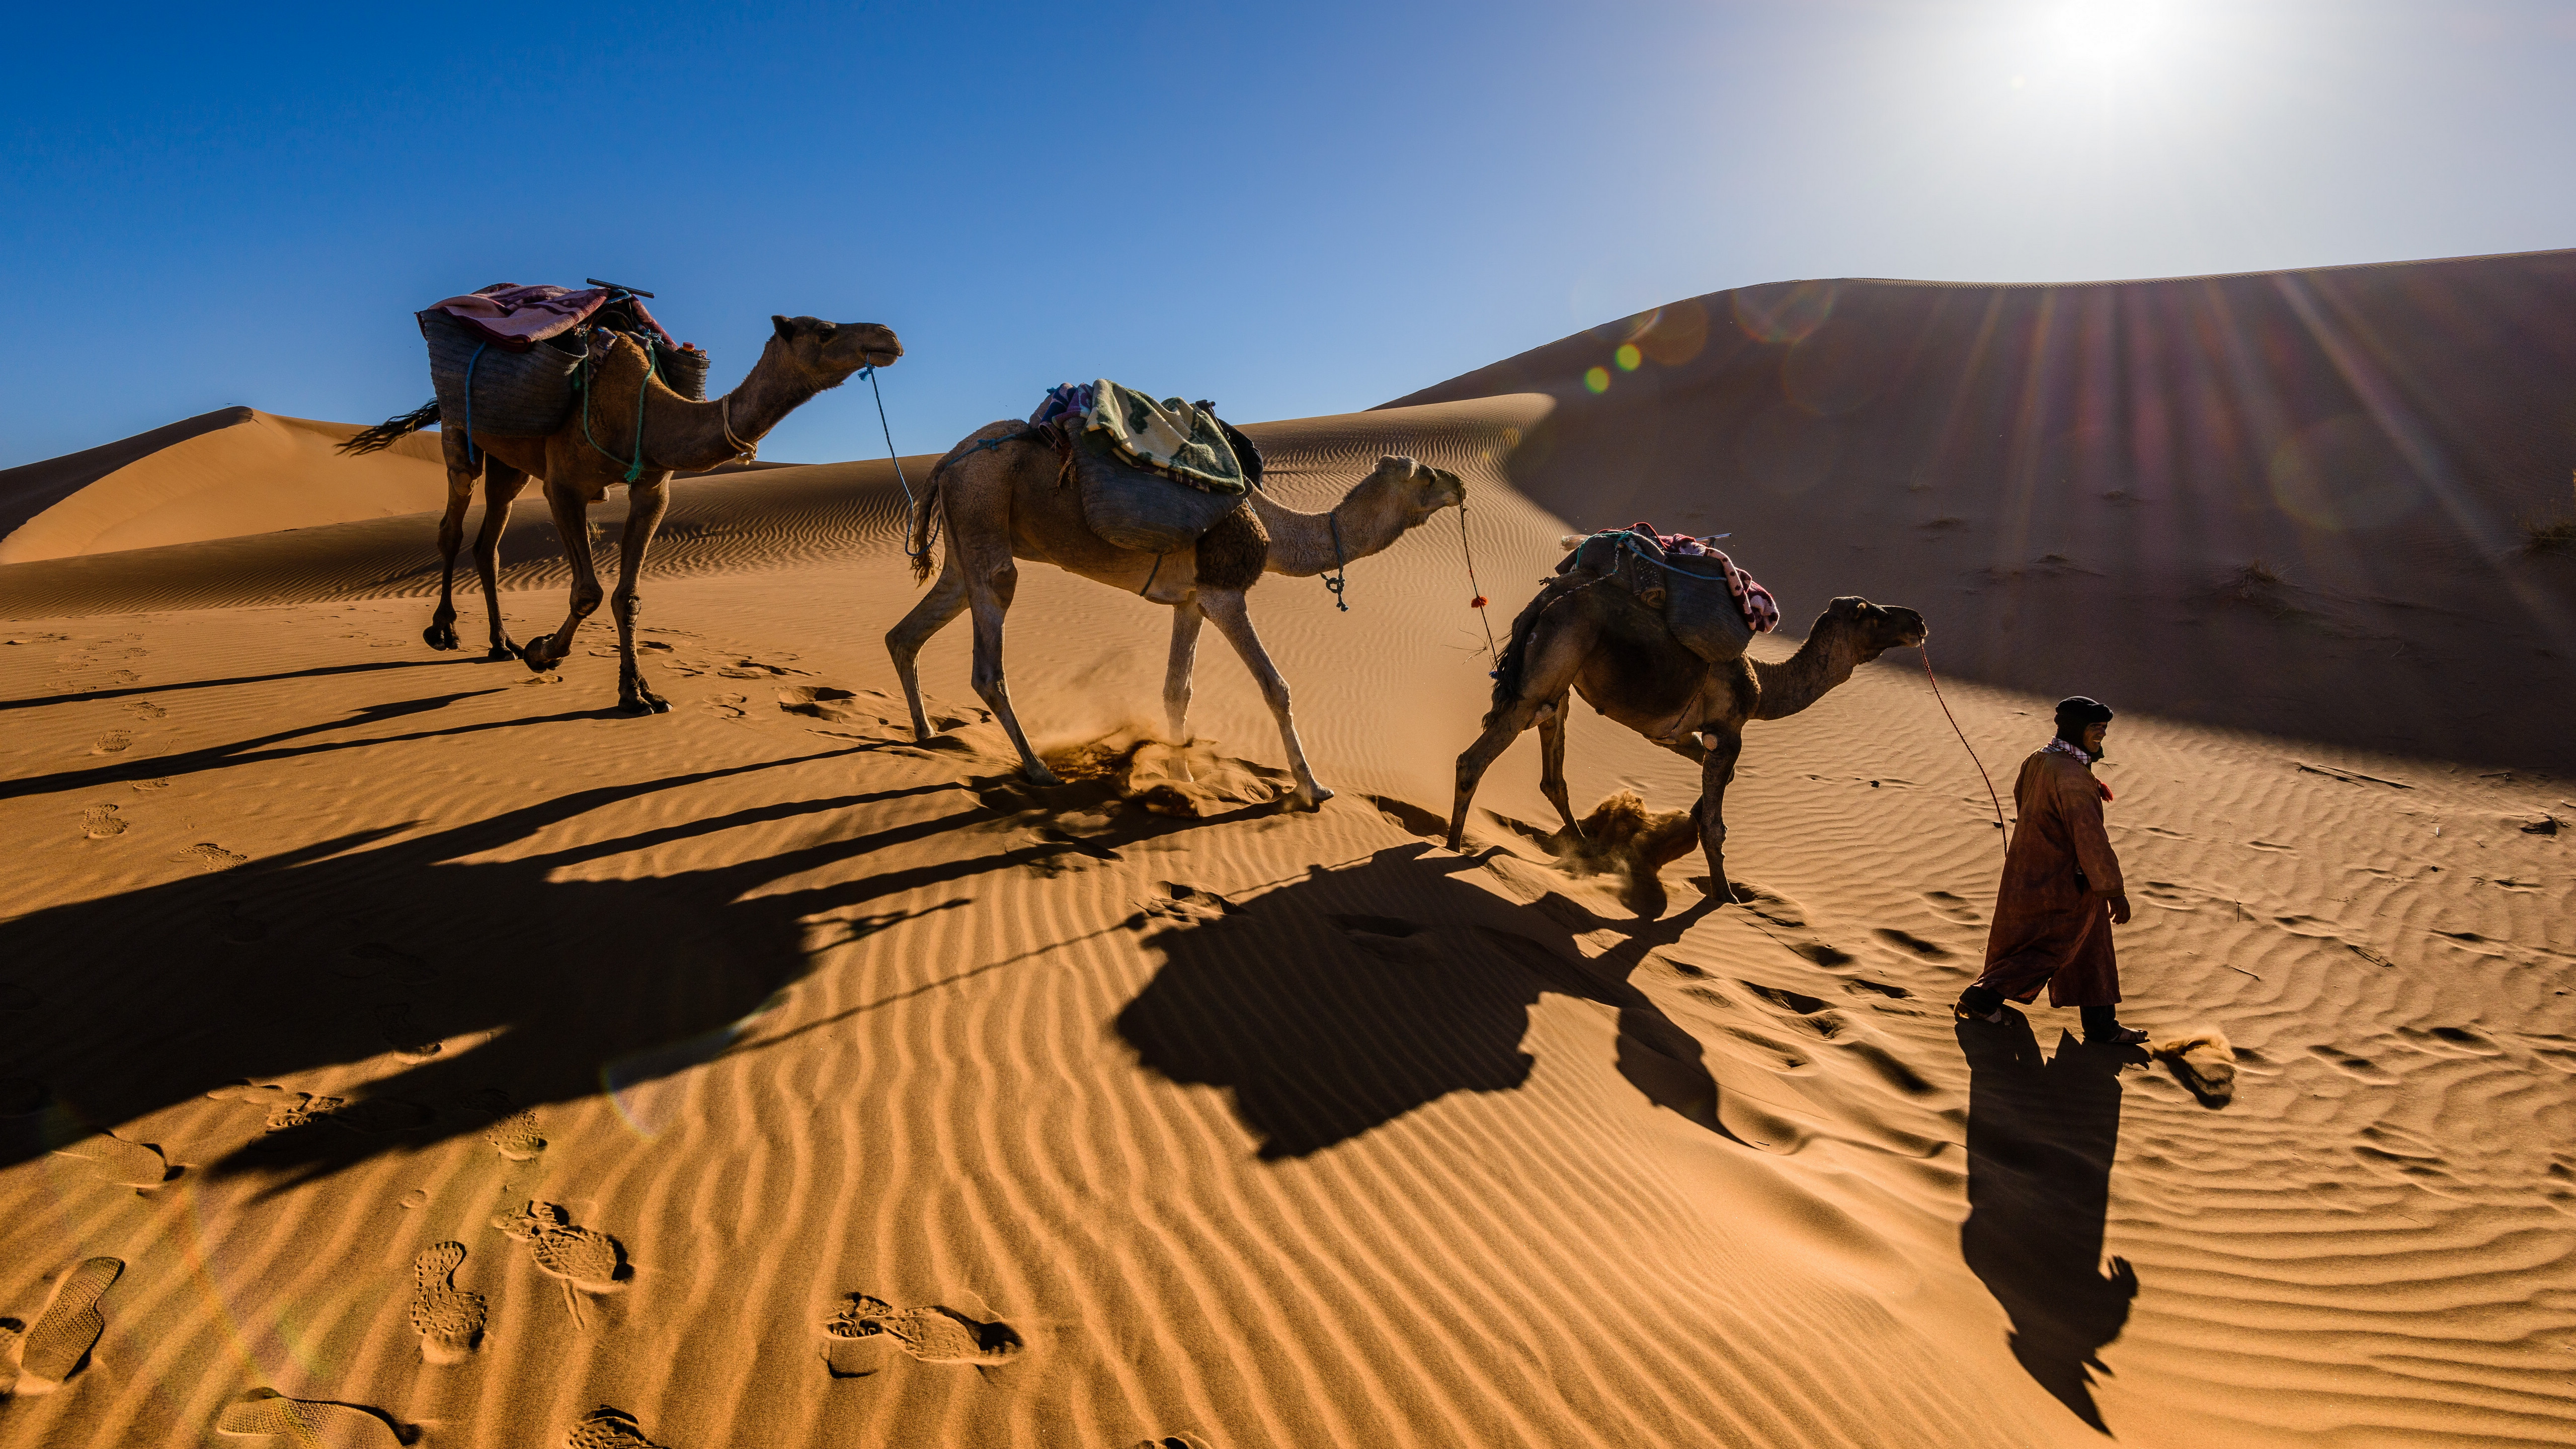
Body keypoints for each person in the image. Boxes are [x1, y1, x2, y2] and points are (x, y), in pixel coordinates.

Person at [1956, 696, 2148, 1045]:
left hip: (2035, 869)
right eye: (2095, 728)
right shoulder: (2072, 776)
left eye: (2104, 728)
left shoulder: (2041, 759)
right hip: (2064, 880)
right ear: (2075, 729)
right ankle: (1981, 998)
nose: (2102, 735)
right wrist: (2114, 891)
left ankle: (2102, 1027)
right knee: (2051, 946)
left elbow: (2024, 801)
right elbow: (2089, 837)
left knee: (2092, 947)